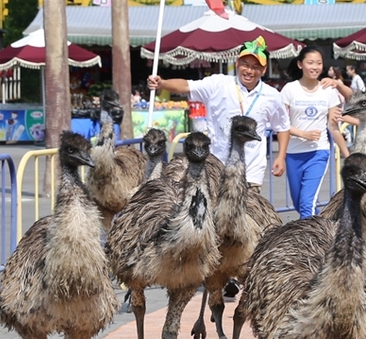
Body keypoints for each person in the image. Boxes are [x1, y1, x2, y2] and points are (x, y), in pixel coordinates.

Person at [147, 36, 290, 188]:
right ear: (237, 63)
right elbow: (186, 86)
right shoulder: (218, 84)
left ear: (264, 69)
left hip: (251, 173)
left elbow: (282, 127)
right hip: (217, 169)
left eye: (256, 67)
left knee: (247, 211)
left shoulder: (272, 95)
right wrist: (162, 83)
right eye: (245, 64)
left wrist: (281, 157)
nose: (249, 71)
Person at [280, 46, 342, 218]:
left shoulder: (328, 90)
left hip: (318, 152)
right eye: (310, 63)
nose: (315, 67)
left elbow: (333, 126)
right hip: (293, 153)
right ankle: (325, 230)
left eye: (319, 63)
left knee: (307, 204)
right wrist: (302, 134)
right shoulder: (289, 89)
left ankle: (307, 244)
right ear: (300, 64)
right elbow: (281, 123)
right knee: (299, 203)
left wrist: (347, 153)